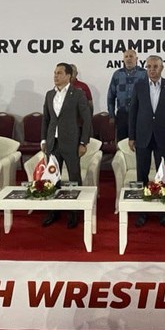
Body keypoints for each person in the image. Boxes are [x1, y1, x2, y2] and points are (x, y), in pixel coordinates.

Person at [128, 55, 165, 228]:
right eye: (149, 66)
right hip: (142, 136)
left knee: (162, 175)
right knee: (142, 174)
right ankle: (142, 211)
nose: (152, 69)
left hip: (163, 137)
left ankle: (162, 212)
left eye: (155, 66)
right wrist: (131, 136)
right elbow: (133, 112)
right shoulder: (139, 85)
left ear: (162, 68)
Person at [41, 62, 92, 229]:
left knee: (74, 177)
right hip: (53, 143)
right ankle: (53, 211)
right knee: (52, 178)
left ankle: (74, 212)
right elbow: (46, 119)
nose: (55, 76)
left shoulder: (77, 94)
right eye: (55, 73)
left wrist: (83, 142)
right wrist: (44, 140)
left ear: (69, 76)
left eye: (59, 73)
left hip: (71, 143)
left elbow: (86, 119)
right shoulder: (49, 94)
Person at [108, 49, 147, 141]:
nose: (128, 59)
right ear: (123, 59)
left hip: (139, 115)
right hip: (122, 115)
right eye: (126, 57)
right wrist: (111, 115)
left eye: (131, 56)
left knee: (139, 142)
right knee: (122, 143)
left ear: (136, 59)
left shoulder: (144, 74)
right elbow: (111, 96)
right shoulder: (117, 74)